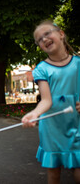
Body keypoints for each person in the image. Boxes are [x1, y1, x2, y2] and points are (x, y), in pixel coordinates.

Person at [22, 20, 80, 184]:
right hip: (53, 127)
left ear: (61, 34)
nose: (44, 39)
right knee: (54, 174)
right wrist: (34, 113)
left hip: (77, 123)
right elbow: (46, 100)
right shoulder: (42, 69)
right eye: (39, 39)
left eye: (47, 33)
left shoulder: (78, 63)